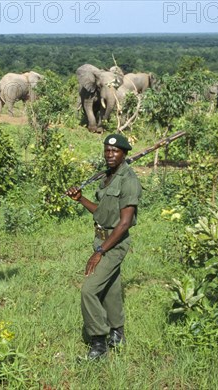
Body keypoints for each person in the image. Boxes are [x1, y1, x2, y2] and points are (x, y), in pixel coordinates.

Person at [65, 133, 142, 360]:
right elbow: (103, 212)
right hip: (102, 238)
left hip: (114, 243)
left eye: (115, 151)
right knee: (111, 288)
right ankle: (118, 334)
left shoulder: (128, 181)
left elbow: (124, 222)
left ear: (124, 153)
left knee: (89, 291)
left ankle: (99, 343)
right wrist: (80, 199)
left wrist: (100, 252)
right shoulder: (108, 177)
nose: (110, 155)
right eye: (107, 151)